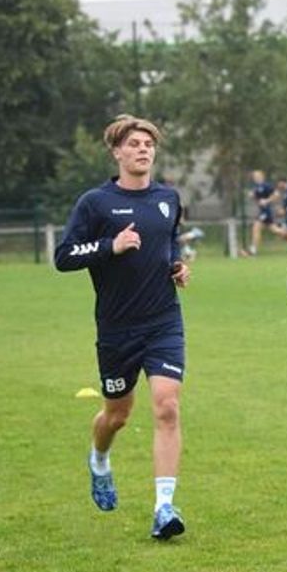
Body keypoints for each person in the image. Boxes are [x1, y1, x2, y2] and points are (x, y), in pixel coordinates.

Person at [54, 114, 192, 541]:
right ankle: (99, 460)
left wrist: (176, 266)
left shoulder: (168, 198)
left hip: (163, 321)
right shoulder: (94, 203)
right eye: (133, 143)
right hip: (117, 328)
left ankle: (164, 507)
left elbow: (168, 241)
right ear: (117, 152)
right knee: (117, 414)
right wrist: (109, 246)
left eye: (148, 143)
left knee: (167, 405)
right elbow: (64, 256)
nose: (143, 149)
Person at [244, 169, 276, 256]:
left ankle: (253, 249)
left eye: (257, 176)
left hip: (266, 211)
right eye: (254, 176)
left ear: (262, 176)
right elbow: (257, 198)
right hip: (263, 211)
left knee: (256, 227)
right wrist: (252, 195)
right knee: (276, 230)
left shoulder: (266, 185)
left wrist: (266, 201)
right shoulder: (257, 187)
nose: (255, 178)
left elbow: (276, 195)